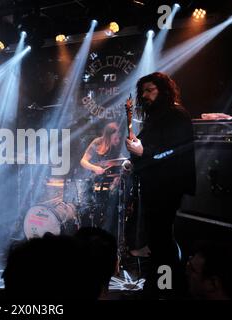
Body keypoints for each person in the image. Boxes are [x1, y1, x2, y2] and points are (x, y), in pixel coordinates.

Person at [125, 72, 196, 298]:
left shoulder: (176, 115)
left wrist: (144, 151)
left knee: (162, 241)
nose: (144, 95)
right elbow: (145, 146)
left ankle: (165, 288)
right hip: (154, 186)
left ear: (163, 91)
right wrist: (134, 154)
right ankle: (159, 284)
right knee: (157, 240)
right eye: (142, 91)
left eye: (149, 90)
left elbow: (176, 150)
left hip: (168, 187)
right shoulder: (155, 117)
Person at [78, 122, 123, 235]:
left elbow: (120, 162)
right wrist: (95, 168)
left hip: (108, 186)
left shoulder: (115, 148)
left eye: (118, 138)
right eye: (116, 138)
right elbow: (83, 161)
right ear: (108, 136)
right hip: (93, 183)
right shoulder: (97, 143)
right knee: (91, 212)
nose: (118, 140)